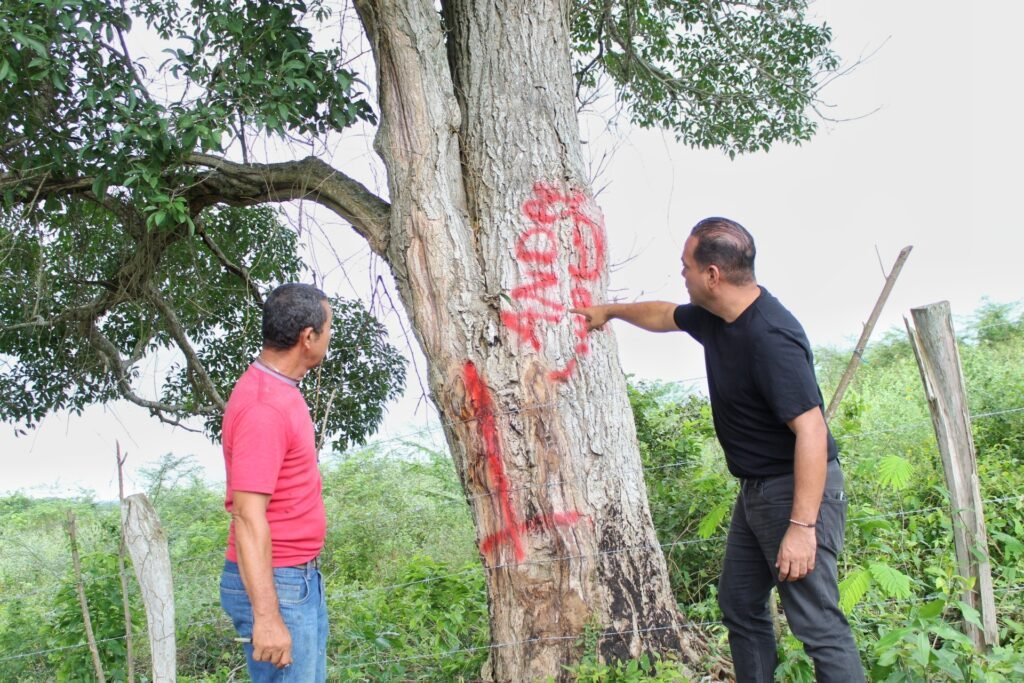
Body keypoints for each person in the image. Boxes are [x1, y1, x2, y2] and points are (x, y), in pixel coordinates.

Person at [571, 218, 864, 682]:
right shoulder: (719, 318)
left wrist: (803, 527)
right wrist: (608, 310)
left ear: (712, 275)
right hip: (757, 492)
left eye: (686, 266)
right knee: (740, 603)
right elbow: (665, 315)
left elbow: (811, 432)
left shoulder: (769, 337)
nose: (681, 275)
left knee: (817, 624)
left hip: (796, 492)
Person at [220, 283, 333, 681]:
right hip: (277, 582)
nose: (329, 337)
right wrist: (266, 617)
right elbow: (248, 516)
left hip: (295, 578)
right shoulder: (264, 407)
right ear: (308, 337)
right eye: (328, 328)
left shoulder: (280, 391)